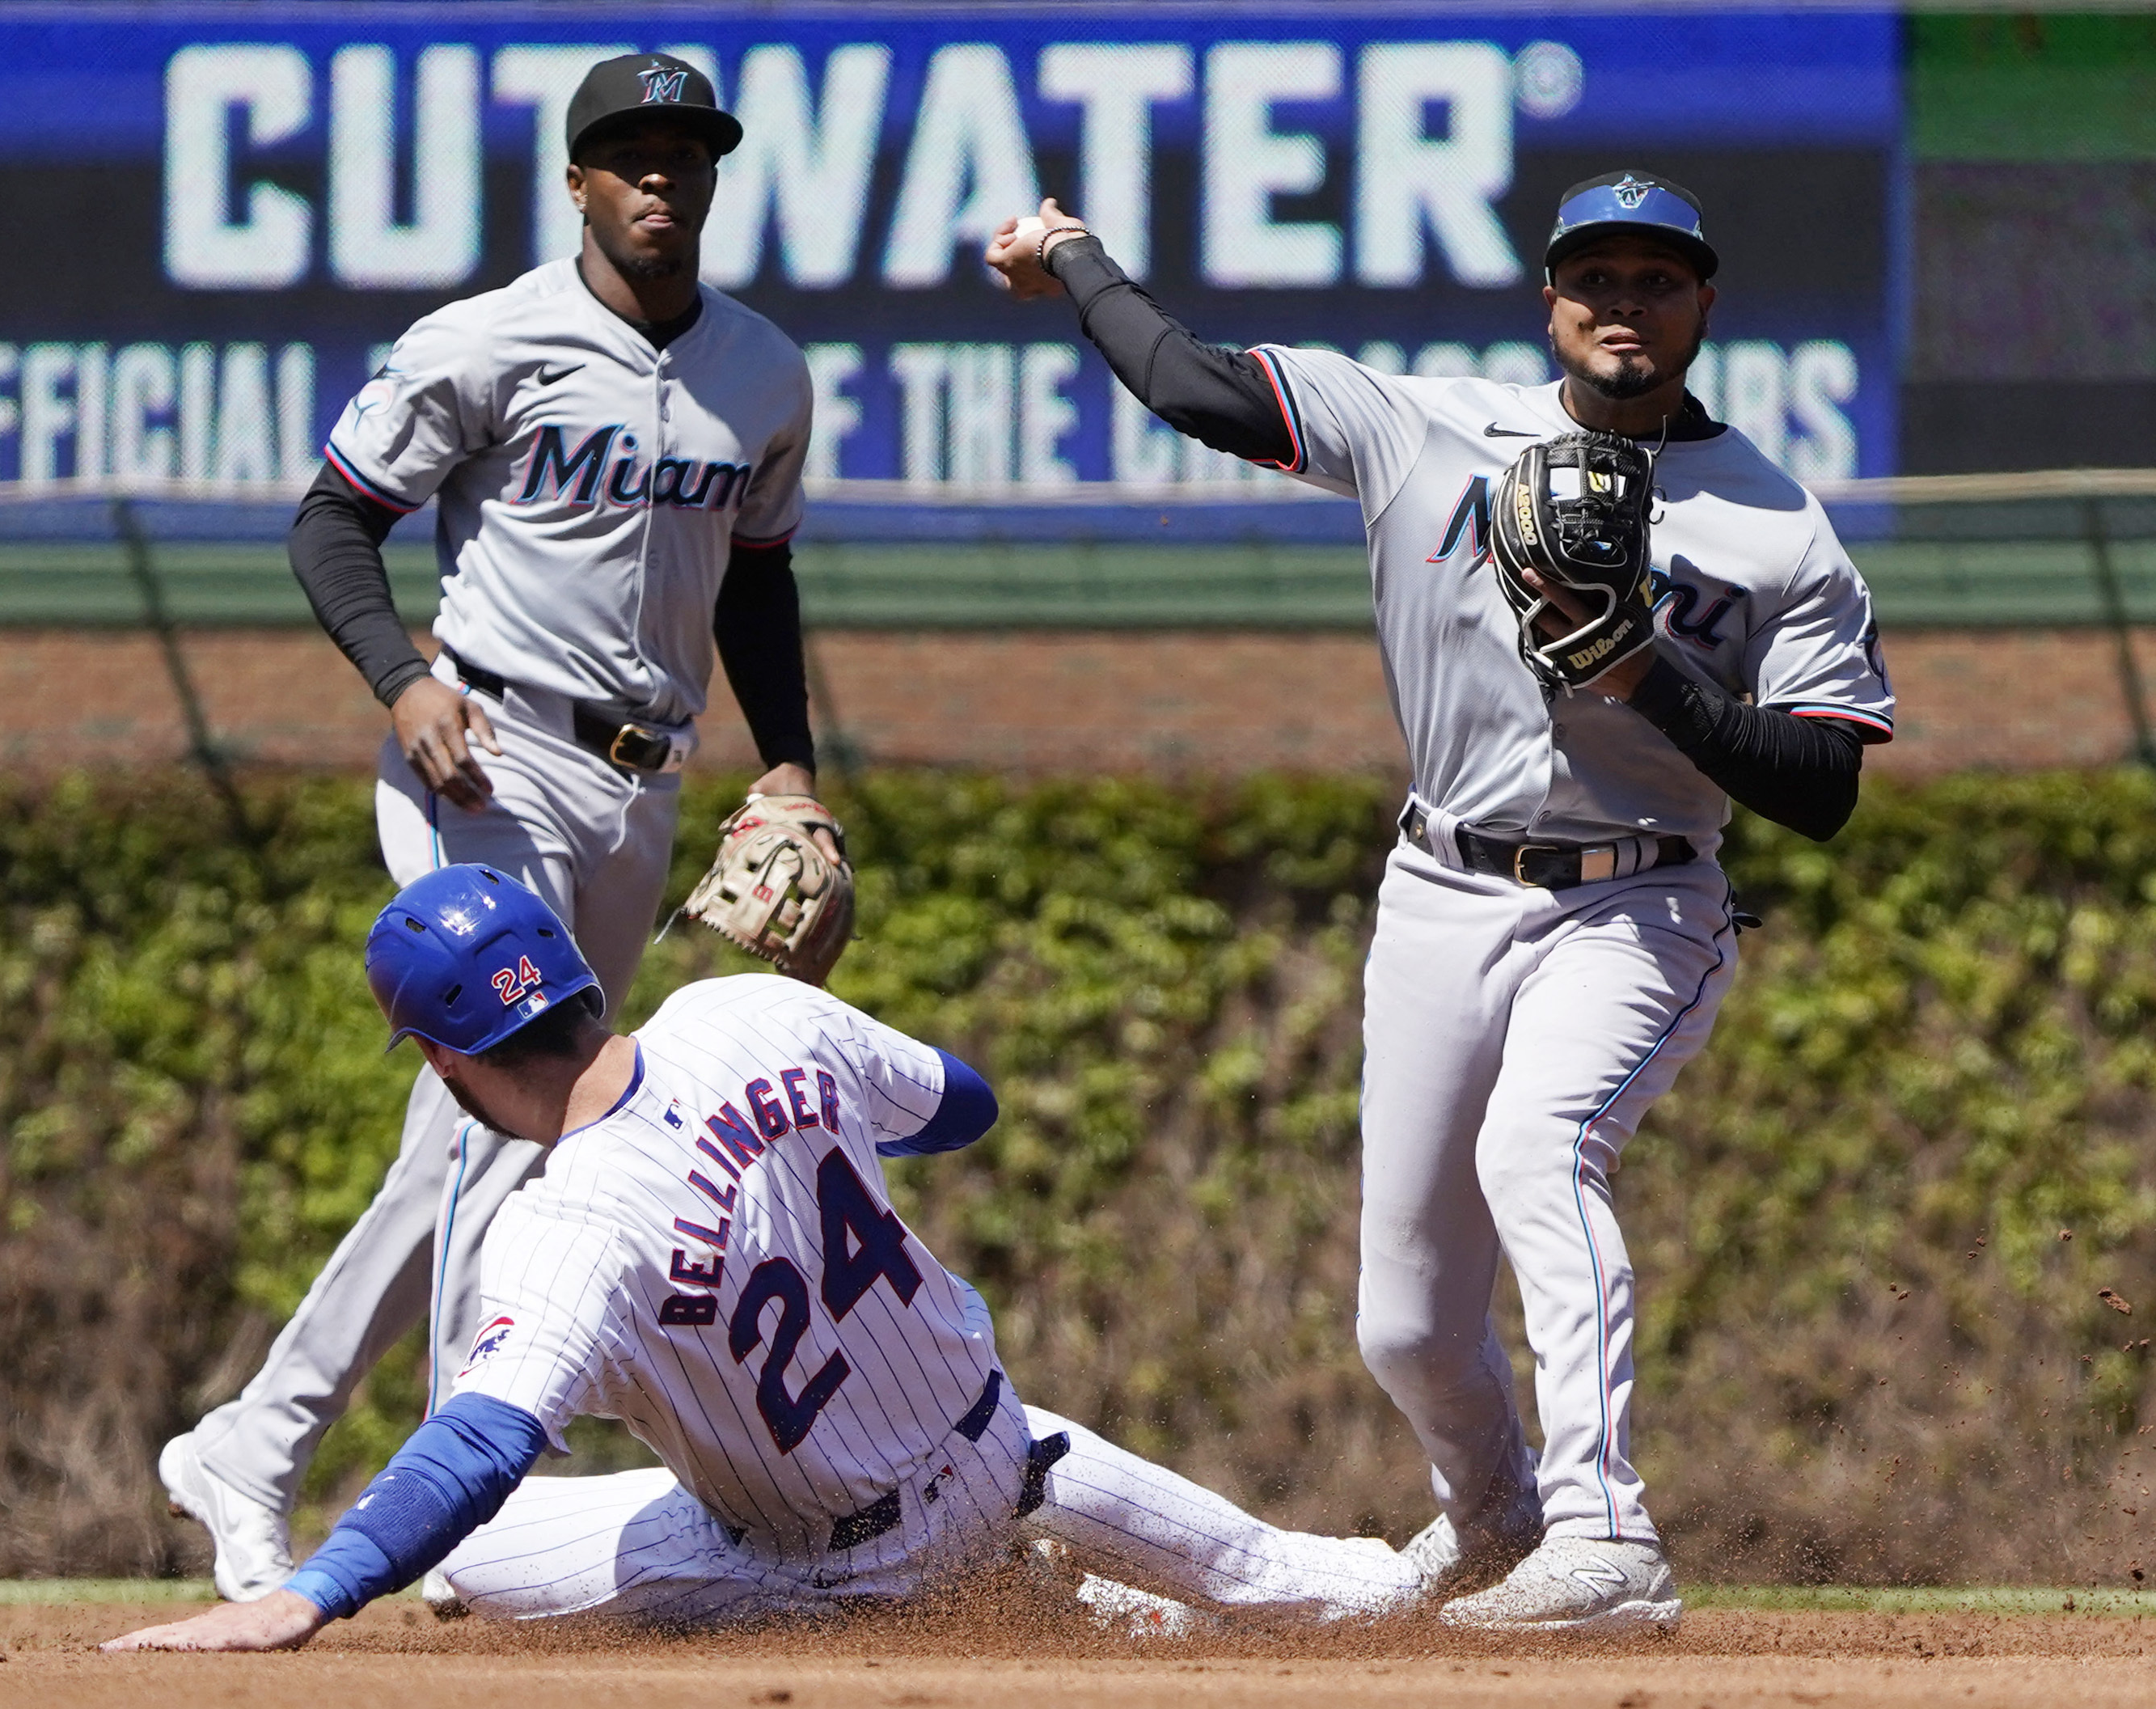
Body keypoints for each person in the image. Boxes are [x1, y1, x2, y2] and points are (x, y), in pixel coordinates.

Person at [986, 171, 1895, 1631]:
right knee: (1404, 1322)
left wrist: (1644, 669)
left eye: (1657, 279)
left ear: (1704, 305)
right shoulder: (1421, 423)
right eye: (1592, 275)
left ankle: (1607, 1541)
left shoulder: (1774, 525)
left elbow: (1823, 784)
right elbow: (1195, 387)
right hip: (1438, 886)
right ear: (1548, 299)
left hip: (1637, 896)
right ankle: (1493, 1522)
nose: (1622, 302)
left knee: (1542, 1147)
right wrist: (1075, 257)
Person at [160, 53, 834, 1601]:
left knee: (541, 1129)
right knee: (489, 1112)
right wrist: (401, 682)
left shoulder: (764, 372)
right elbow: (332, 519)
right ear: (581, 180)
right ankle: (391, 1472)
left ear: (713, 179)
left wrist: (787, 764)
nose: (660, 173)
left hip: (643, 780)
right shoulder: (490, 339)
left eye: (686, 150)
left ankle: (276, 1444)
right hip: (486, 754)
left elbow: (756, 577)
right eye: (629, 151)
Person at [106, 865, 1424, 1650]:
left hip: (827, 1564)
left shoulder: (560, 1226)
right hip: (1012, 1456)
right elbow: (965, 1106)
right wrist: (815, 1050)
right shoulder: (750, 1008)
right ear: (572, 971)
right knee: (1313, 1581)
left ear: (445, 1059)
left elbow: (475, 1447)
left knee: (464, 1554)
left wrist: (309, 1596)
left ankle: (1014, 1615)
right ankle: (1525, 1575)